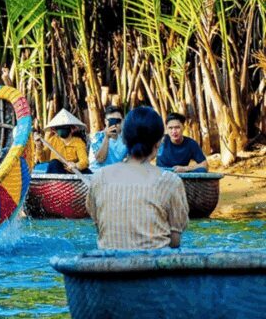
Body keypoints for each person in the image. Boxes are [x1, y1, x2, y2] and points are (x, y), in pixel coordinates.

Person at [86, 106, 189, 249]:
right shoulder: (170, 181)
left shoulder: (99, 178)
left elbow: (99, 228)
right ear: (159, 142)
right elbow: (175, 240)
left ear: (126, 140)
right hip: (153, 268)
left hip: (109, 268)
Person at [34, 109, 91, 174]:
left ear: (72, 129)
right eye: (59, 127)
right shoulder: (53, 140)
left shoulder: (78, 142)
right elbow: (43, 159)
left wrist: (76, 165)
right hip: (57, 172)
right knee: (54, 163)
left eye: (64, 127)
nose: (61, 129)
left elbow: (84, 161)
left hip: (73, 172)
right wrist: (38, 146)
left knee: (87, 171)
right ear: (55, 130)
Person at [89, 105, 128, 171]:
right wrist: (106, 137)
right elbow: (100, 159)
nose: (115, 124)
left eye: (118, 120)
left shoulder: (126, 139)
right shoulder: (98, 136)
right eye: (111, 120)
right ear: (105, 122)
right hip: (97, 174)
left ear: (123, 121)